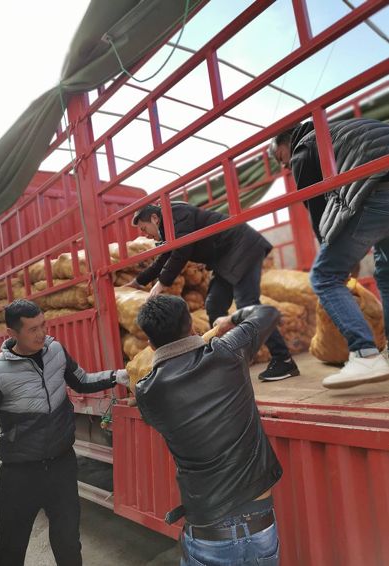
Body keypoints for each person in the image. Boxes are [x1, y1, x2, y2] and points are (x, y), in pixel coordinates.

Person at [0, 299, 129, 566]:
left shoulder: (55, 351)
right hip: (20, 475)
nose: (42, 334)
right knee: (10, 550)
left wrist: (116, 376)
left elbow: (81, 380)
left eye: (43, 325)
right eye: (33, 329)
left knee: (69, 544)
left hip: (61, 467)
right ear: (12, 333)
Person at [135, 295, 282, 566]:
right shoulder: (227, 351)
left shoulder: (147, 392)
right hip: (260, 525)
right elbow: (268, 313)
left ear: (150, 343)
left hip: (208, 533)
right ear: (191, 326)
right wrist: (230, 319)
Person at [270, 117, 389, 389]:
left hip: (377, 191)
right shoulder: (338, 130)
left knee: (324, 276)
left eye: (280, 157)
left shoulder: (303, 148)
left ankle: (365, 354)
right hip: (382, 181)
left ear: (287, 142)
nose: (284, 165)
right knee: (385, 272)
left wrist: (334, 253)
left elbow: (318, 210)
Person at [129, 201, 299, 381]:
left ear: (154, 218)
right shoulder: (169, 229)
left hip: (241, 247)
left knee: (247, 304)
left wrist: (161, 283)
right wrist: (138, 282)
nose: (145, 234)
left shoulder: (175, 213)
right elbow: (164, 257)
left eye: (144, 228)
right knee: (214, 305)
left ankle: (283, 359)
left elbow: (182, 250)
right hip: (226, 259)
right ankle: (226, 361)